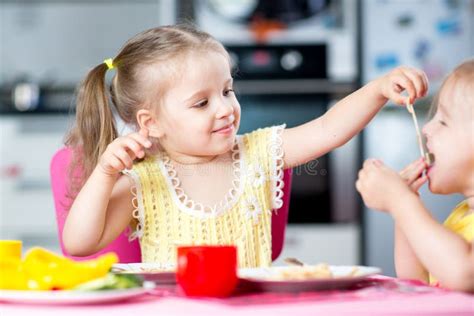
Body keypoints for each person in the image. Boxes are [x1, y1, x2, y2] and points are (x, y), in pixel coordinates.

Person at [63, 24, 427, 268]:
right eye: (201, 103)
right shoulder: (144, 182)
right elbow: (80, 243)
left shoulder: (260, 152)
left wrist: (379, 89)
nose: (225, 109)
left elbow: (328, 129)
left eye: (227, 91)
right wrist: (106, 173)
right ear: (150, 123)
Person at [356, 59, 474, 292]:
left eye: (443, 121)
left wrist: (401, 202)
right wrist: (405, 205)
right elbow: (416, 280)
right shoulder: (462, 215)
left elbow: (464, 274)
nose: (427, 129)